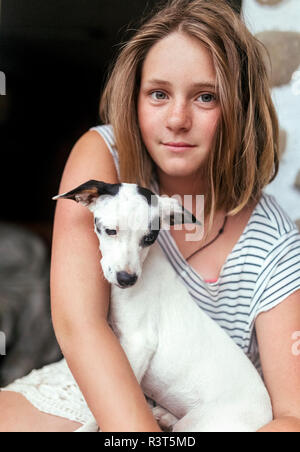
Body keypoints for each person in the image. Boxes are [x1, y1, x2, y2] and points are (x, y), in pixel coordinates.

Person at [0, 0, 300, 432]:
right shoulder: (105, 157)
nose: (177, 119)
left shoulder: (274, 244)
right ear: (135, 97)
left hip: (217, 414)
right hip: (104, 375)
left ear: (242, 109)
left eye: (206, 96)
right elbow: (80, 324)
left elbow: (291, 415)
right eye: (158, 94)